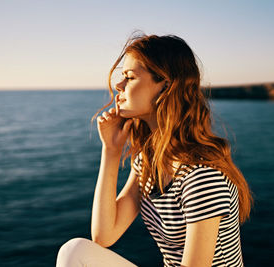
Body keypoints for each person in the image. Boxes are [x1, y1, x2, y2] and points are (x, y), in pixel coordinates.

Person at [56, 33, 253, 267]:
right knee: (75, 252)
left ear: (166, 86)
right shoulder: (148, 161)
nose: (118, 85)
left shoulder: (201, 177)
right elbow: (104, 235)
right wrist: (111, 151)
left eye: (129, 77)